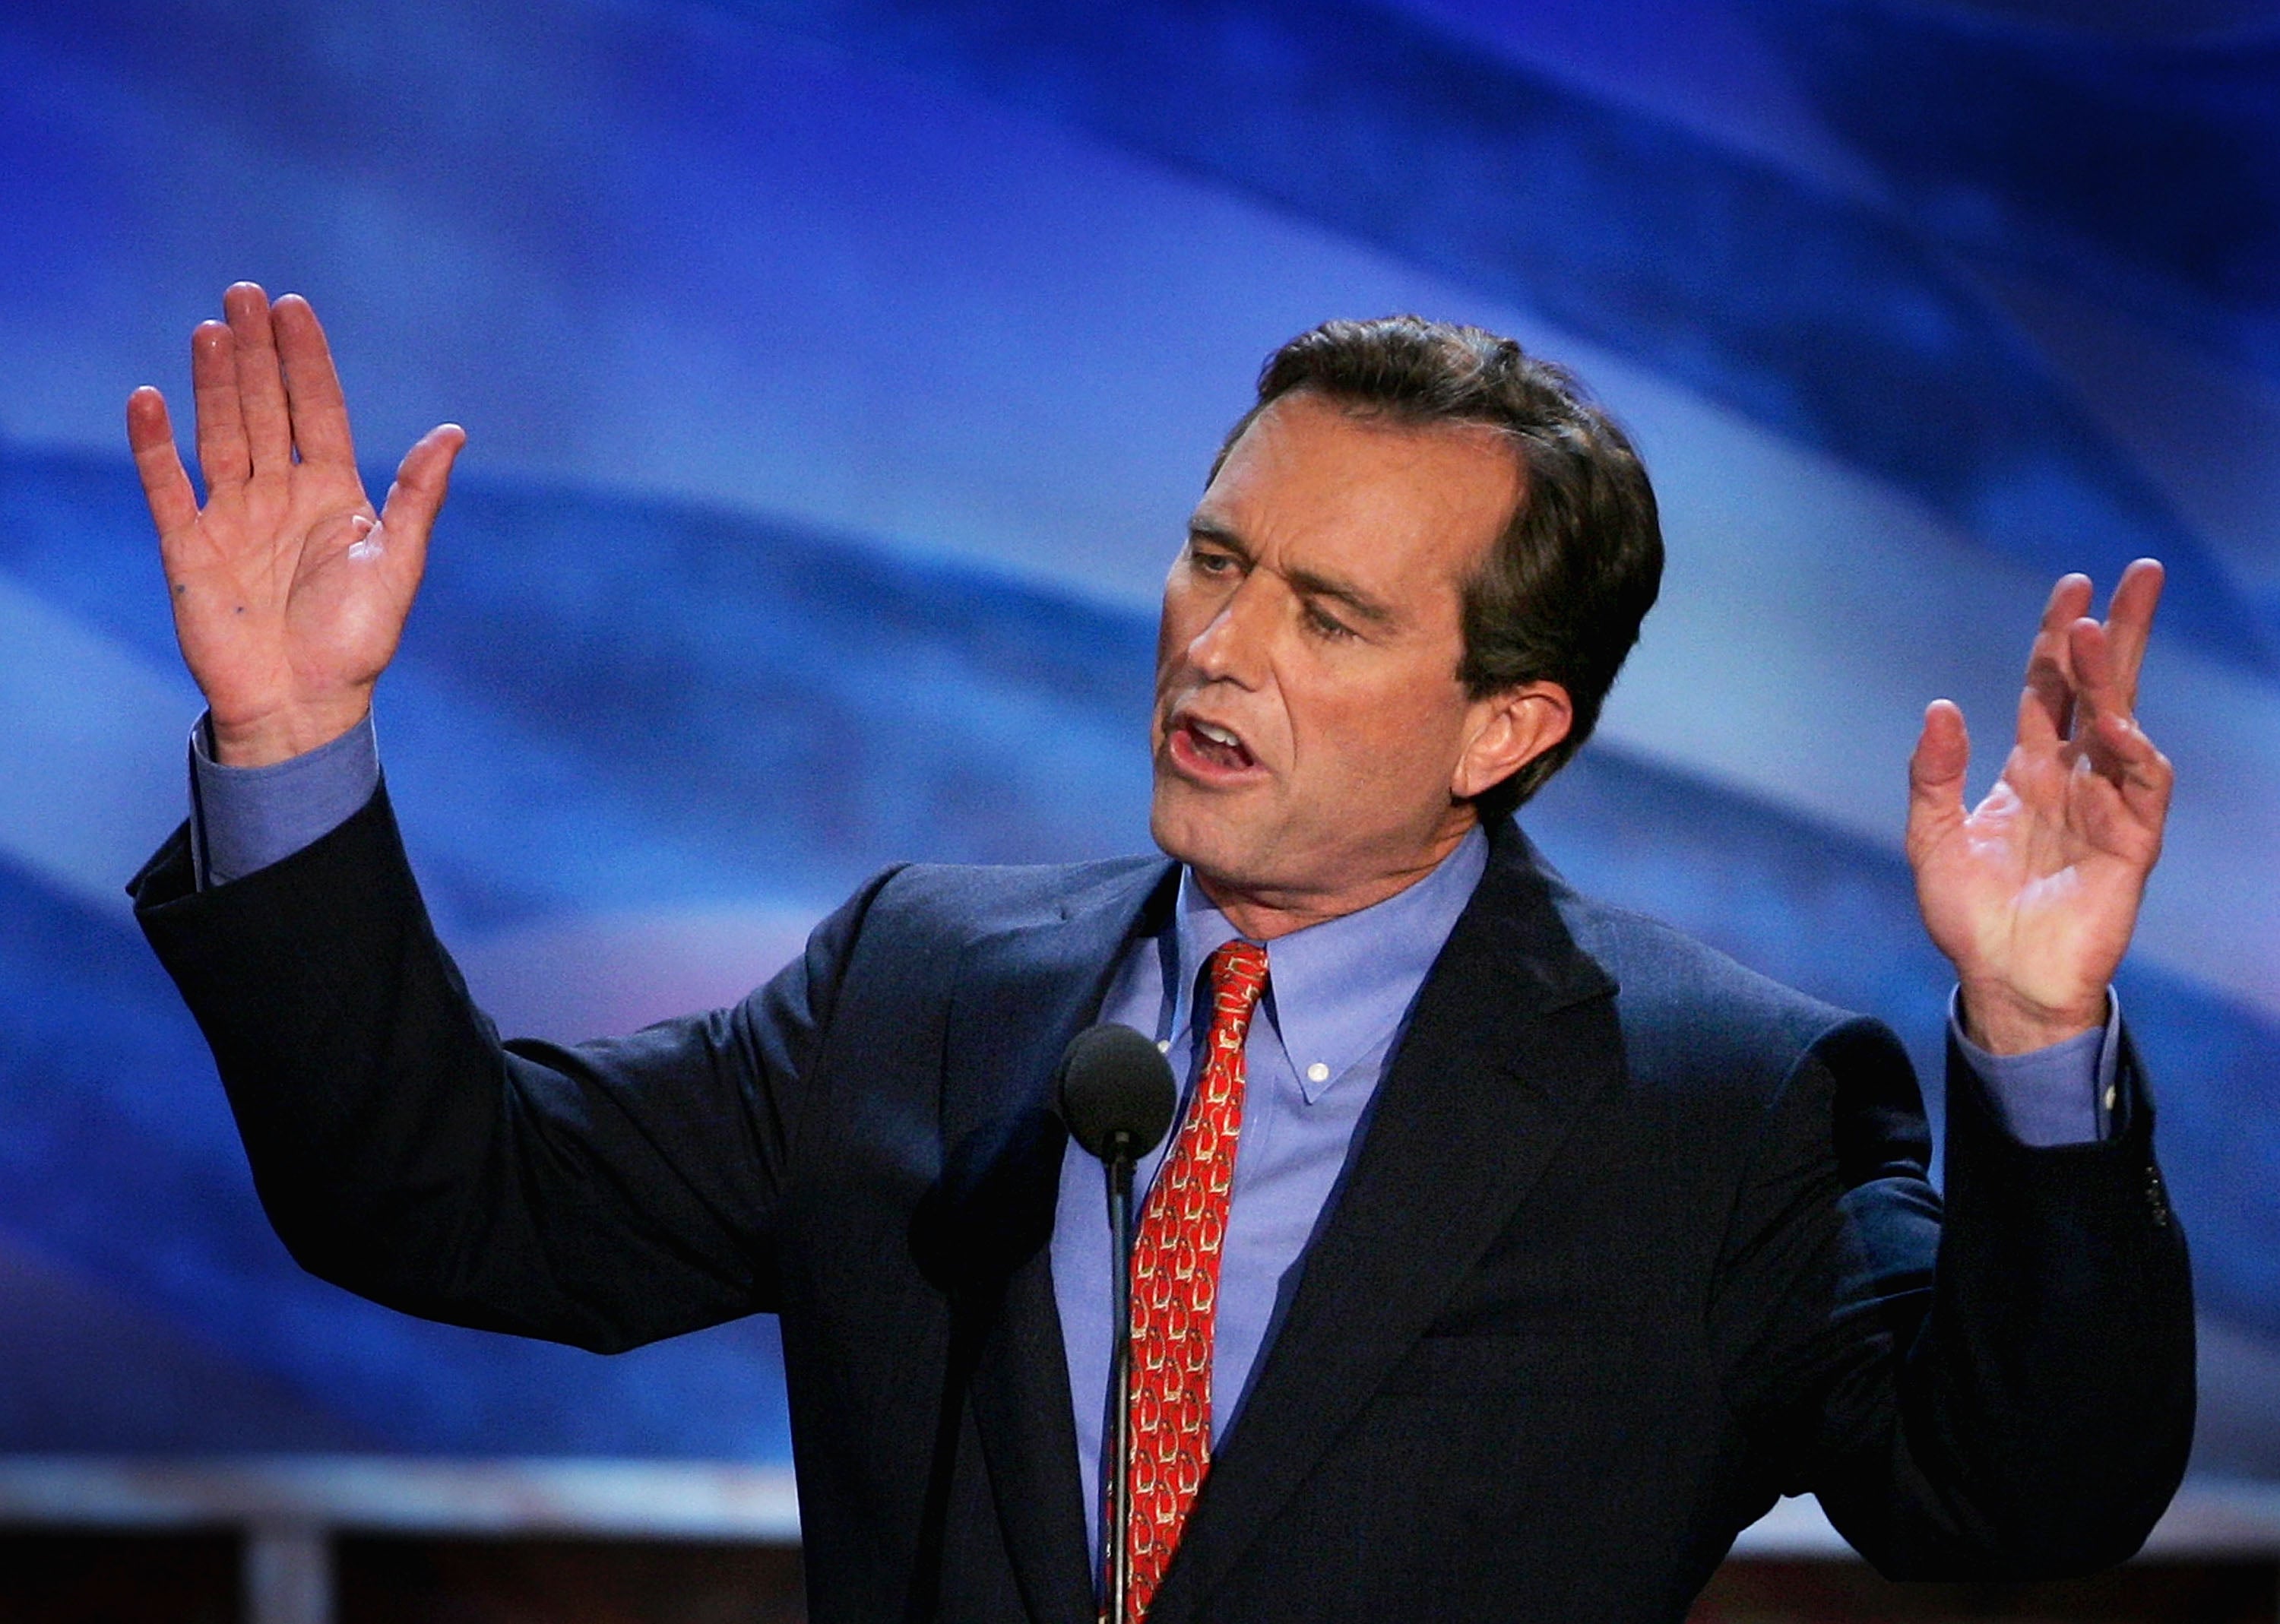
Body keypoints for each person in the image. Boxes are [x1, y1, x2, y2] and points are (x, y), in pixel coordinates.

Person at [125, 286, 2192, 1623]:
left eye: (1329, 611)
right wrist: (291, 744)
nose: (1219, 643)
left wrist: (2032, 1026)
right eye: (1216, 558)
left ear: (1505, 727)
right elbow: (447, 1195)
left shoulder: (1716, 1110)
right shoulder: (924, 991)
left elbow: (2021, 1495)